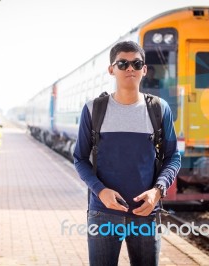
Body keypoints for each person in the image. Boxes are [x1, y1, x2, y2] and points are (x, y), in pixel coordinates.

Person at [73, 41, 181, 266]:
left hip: (146, 214)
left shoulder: (159, 109)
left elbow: (173, 156)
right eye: (122, 63)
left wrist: (158, 191)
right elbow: (80, 158)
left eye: (136, 63)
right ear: (111, 69)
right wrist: (100, 191)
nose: (129, 68)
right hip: (102, 213)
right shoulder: (93, 109)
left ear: (144, 69)